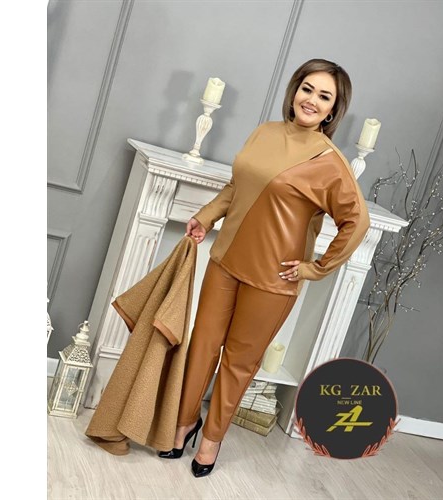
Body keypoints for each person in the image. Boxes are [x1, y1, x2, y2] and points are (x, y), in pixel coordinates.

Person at [158, 58, 370, 477]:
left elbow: (356, 222)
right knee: (202, 345)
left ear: (333, 110)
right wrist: (207, 216)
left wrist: (315, 268)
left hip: (273, 278)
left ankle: (212, 438)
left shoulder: (330, 162)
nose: (311, 100)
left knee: (239, 362)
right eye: (307, 89)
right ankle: (184, 422)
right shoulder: (265, 132)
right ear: (294, 91)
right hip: (225, 260)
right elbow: (237, 186)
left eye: (324, 96)